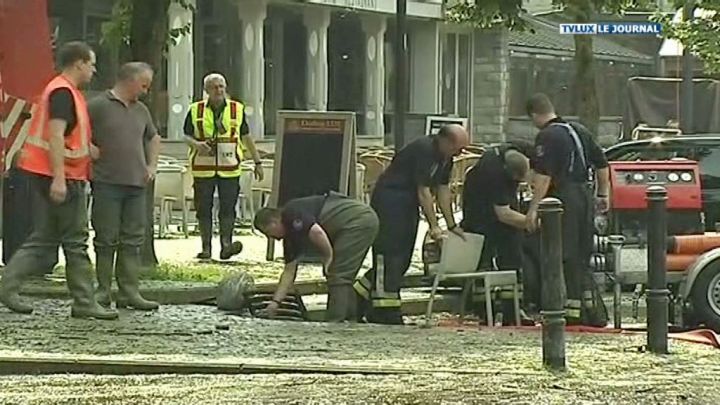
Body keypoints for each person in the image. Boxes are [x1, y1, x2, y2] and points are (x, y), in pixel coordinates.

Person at [0, 42, 117, 319]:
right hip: (61, 177)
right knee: (76, 241)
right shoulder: (63, 92)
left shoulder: (61, 90)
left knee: (43, 238)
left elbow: (64, 137)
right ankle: (84, 301)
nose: (94, 69)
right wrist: (60, 180)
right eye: (91, 63)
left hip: (48, 173)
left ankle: (7, 286)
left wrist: (89, 150)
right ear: (78, 63)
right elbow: (55, 135)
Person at [354, 124, 470, 325]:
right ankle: (384, 310)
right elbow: (424, 192)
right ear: (445, 141)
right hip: (391, 200)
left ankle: (359, 295)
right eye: (458, 148)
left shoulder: (446, 158)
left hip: (407, 204)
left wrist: (451, 225)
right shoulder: (425, 150)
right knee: (389, 254)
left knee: (404, 256)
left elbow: (442, 191)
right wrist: (434, 226)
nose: (460, 153)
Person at [525, 93, 610, 326]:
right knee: (582, 255)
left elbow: (544, 177)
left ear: (534, 115)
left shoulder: (547, 136)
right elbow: (602, 164)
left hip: (563, 199)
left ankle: (569, 313)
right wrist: (603, 195)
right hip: (585, 195)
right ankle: (589, 310)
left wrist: (533, 209)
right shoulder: (579, 130)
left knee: (564, 254)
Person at [88, 62, 161, 311]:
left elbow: (153, 137)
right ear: (129, 80)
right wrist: (89, 149)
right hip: (106, 181)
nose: (145, 91)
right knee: (105, 238)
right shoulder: (98, 105)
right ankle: (103, 290)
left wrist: (151, 166)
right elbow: (74, 132)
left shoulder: (141, 110)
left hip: (136, 184)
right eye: (143, 85)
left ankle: (129, 291)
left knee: (133, 239)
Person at [254, 192, 379, 322]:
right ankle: (352, 318)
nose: (270, 238)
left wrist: (328, 256)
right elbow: (289, 272)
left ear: (274, 221)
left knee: (337, 275)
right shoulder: (290, 238)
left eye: (268, 232)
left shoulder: (291, 213)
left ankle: (336, 322)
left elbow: (317, 232)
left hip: (357, 220)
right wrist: (275, 303)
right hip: (357, 221)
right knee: (342, 276)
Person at [184, 73, 264, 260]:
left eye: (221, 86)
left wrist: (257, 162)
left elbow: (246, 137)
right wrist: (196, 145)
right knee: (203, 207)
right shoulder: (195, 110)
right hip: (203, 167)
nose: (219, 90)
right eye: (214, 87)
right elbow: (186, 135)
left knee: (228, 207)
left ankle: (226, 245)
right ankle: (206, 248)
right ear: (206, 91)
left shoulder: (237, 109)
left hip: (230, 167)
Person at [461, 143, 533, 323]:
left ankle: (513, 309)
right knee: (484, 261)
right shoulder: (493, 174)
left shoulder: (515, 150)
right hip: (480, 216)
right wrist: (530, 223)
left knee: (513, 259)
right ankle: (484, 310)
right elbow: (503, 214)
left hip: (497, 213)